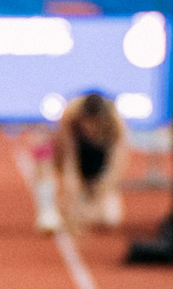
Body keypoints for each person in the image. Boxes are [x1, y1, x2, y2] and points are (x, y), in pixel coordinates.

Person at [33, 93, 128, 235]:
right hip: (71, 154)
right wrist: (70, 193)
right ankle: (47, 212)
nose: (89, 128)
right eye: (87, 123)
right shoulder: (70, 114)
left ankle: (90, 199)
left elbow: (115, 167)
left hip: (96, 163)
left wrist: (95, 201)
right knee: (42, 147)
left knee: (109, 218)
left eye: (93, 124)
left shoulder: (116, 122)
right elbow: (70, 157)